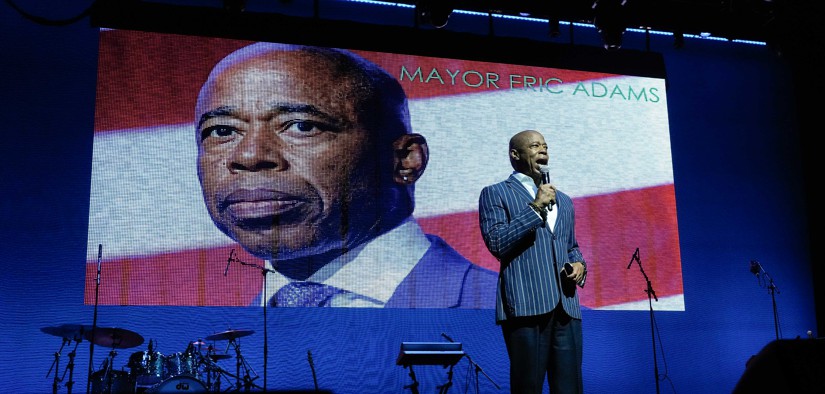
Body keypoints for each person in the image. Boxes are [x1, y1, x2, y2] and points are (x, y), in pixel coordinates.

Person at [194, 42, 496, 308]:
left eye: (302, 126)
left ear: (405, 160)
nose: (248, 156)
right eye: (222, 131)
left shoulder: (518, 317)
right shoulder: (210, 348)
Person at [478, 129, 588, 393]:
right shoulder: (495, 193)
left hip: (566, 305)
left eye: (546, 146)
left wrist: (580, 265)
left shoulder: (563, 200)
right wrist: (536, 208)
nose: (543, 151)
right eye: (535, 146)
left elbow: (570, 245)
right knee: (528, 387)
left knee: (570, 388)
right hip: (527, 304)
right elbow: (497, 243)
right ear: (515, 155)